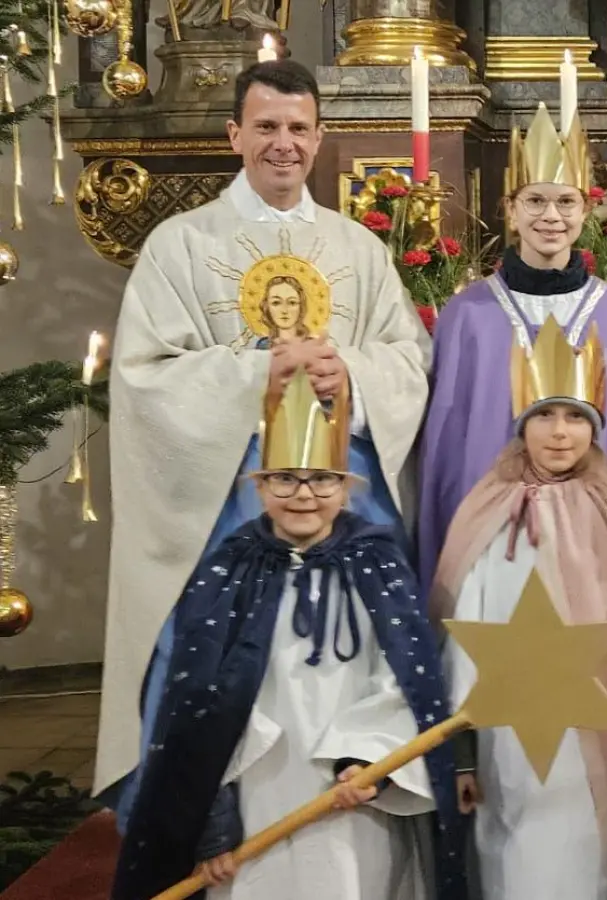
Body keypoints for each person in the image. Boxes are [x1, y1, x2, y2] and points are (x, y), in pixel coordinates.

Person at [99, 59, 430, 815]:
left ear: (320, 139)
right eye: (267, 127)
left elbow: (409, 359)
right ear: (234, 134)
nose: (283, 144)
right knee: (235, 666)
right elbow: (145, 375)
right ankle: (214, 827)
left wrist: (347, 367)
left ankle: (352, 815)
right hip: (228, 499)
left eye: (298, 129)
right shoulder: (180, 245)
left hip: (342, 496)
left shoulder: (359, 249)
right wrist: (260, 371)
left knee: (345, 658)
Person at [112, 370, 463, 900]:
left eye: (322, 479)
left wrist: (369, 762)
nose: (304, 495)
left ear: (347, 487)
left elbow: (405, 678)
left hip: (352, 793)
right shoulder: (229, 568)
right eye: (285, 479)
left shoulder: (379, 563)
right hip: (260, 789)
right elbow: (198, 699)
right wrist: (214, 813)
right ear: (260, 485)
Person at [431, 318, 607, 899]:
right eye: (544, 415)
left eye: (576, 418)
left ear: (595, 429)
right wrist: (461, 749)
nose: (560, 434)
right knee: (509, 842)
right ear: (521, 425)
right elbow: (461, 631)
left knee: (580, 849)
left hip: (592, 725)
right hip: (501, 727)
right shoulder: (488, 505)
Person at [419, 102, 607, 592]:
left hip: (594, 547)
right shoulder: (467, 316)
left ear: (586, 210)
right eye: (535, 201)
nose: (550, 216)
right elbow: (447, 446)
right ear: (511, 209)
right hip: (492, 550)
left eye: (565, 202)